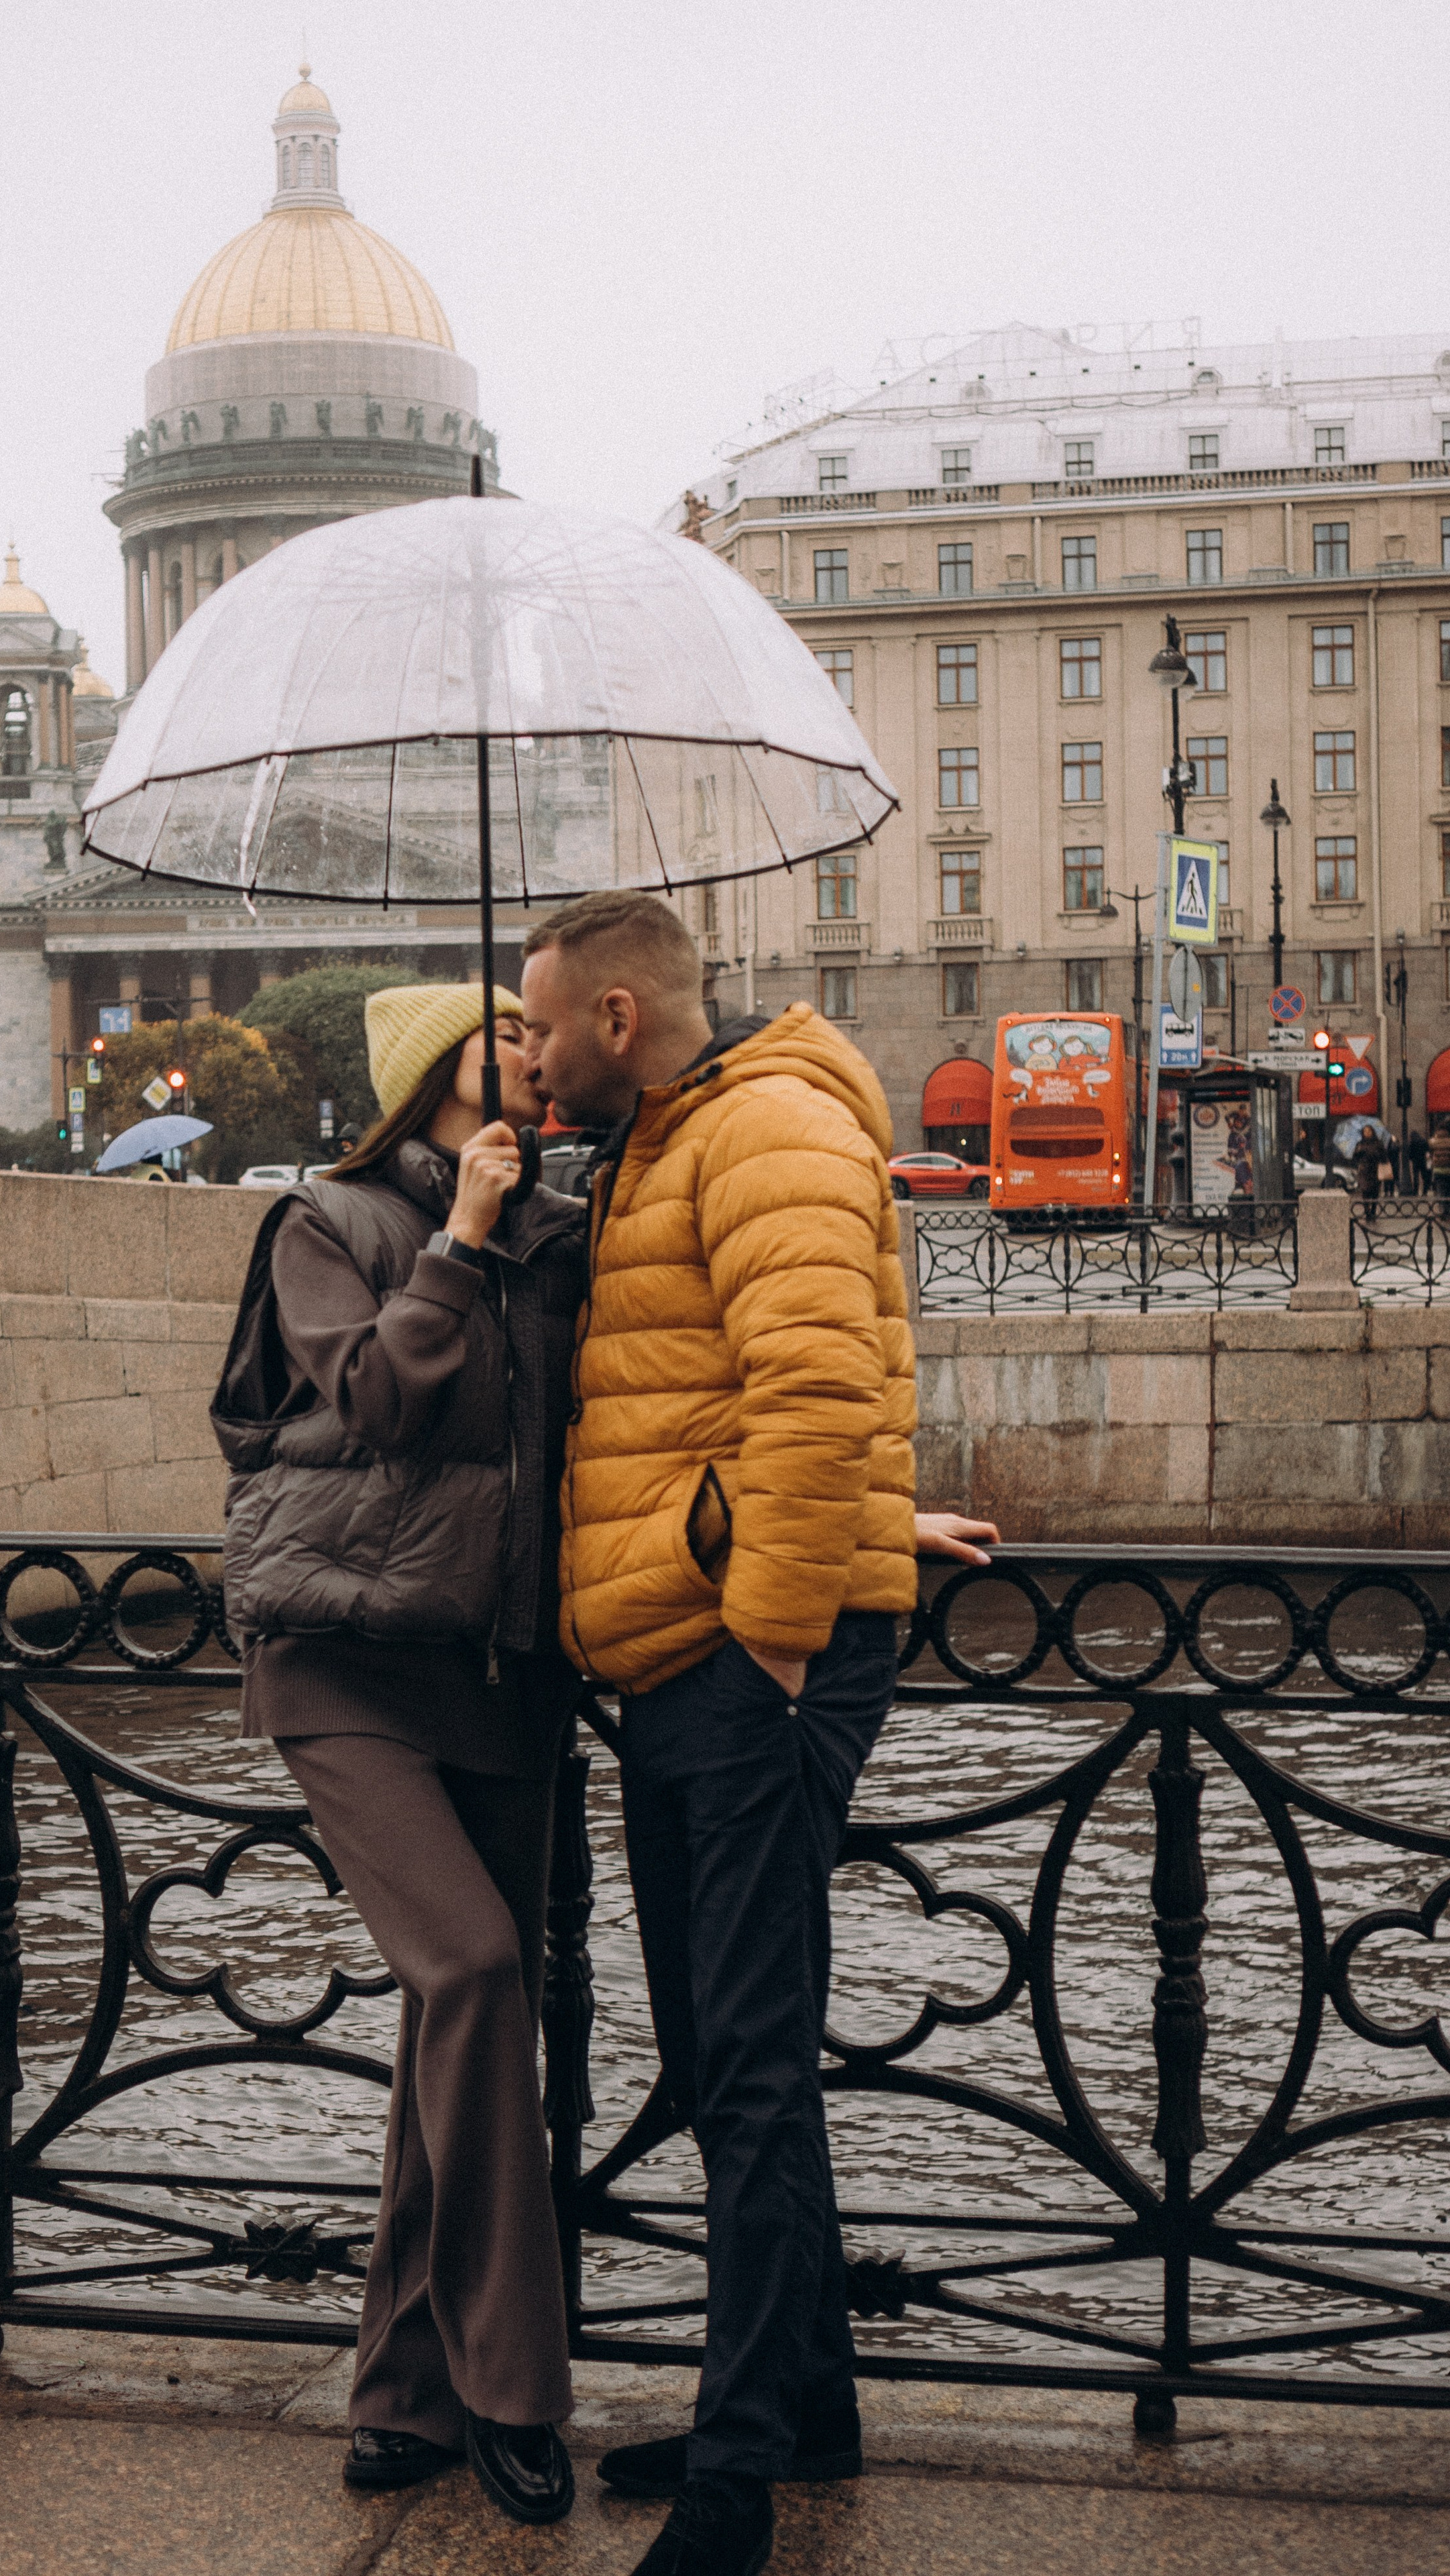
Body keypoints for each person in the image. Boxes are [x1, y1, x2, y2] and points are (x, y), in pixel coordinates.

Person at [519, 892, 997, 2576]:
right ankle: (806, 2408)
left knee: (748, 2061)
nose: (531, 1051)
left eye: (542, 1024)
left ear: (619, 1020)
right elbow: (727, 1385)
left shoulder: (765, 1124)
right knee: (730, 2056)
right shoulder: (665, 1136)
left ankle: (735, 2485)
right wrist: (850, 1531)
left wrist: (777, 1630)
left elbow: (816, 1392)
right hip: (688, 1651)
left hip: (742, 1665)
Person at [211, 983, 586, 2528]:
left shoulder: (568, 1232)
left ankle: (398, 2385)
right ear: (430, 1067)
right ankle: (511, 2388)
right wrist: (460, 1241)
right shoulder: (327, 1219)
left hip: (500, 1669)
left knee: (461, 2021)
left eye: (539, 1026)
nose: (533, 1045)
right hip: (338, 1660)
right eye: (500, 1027)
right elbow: (371, 1396)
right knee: (478, 1971)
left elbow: (613, 1429)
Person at [1352, 1123, 1383, 1213]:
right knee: (1365, 1191)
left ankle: (1373, 1210)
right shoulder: (1360, 1144)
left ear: (1372, 1132)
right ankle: (1367, 1211)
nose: (1367, 1133)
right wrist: (1359, 1153)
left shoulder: (1378, 1143)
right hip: (1364, 1171)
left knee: (1375, 1192)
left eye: (1369, 1131)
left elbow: (1383, 1156)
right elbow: (1355, 1157)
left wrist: (1375, 1155)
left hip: (1375, 1170)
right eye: (1365, 1131)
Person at [1432, 1119, 1450, 1208]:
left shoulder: (1434, 1142)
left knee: (1441, 1192)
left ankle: (1443, 1211)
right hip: (1448, 1169)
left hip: (1438, 1170)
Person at [1408, 1126, 1430, 1197]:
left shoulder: (1412, 1142)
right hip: (1423, 1161)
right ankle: (1425, 1192)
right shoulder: (1424, 1141)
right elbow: (1427, 1151)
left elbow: (1410, 1153)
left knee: (1416, 1177)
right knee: (1425, 1177)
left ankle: (1416, 1192)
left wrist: (1411, 1159)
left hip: (1416, 1162)